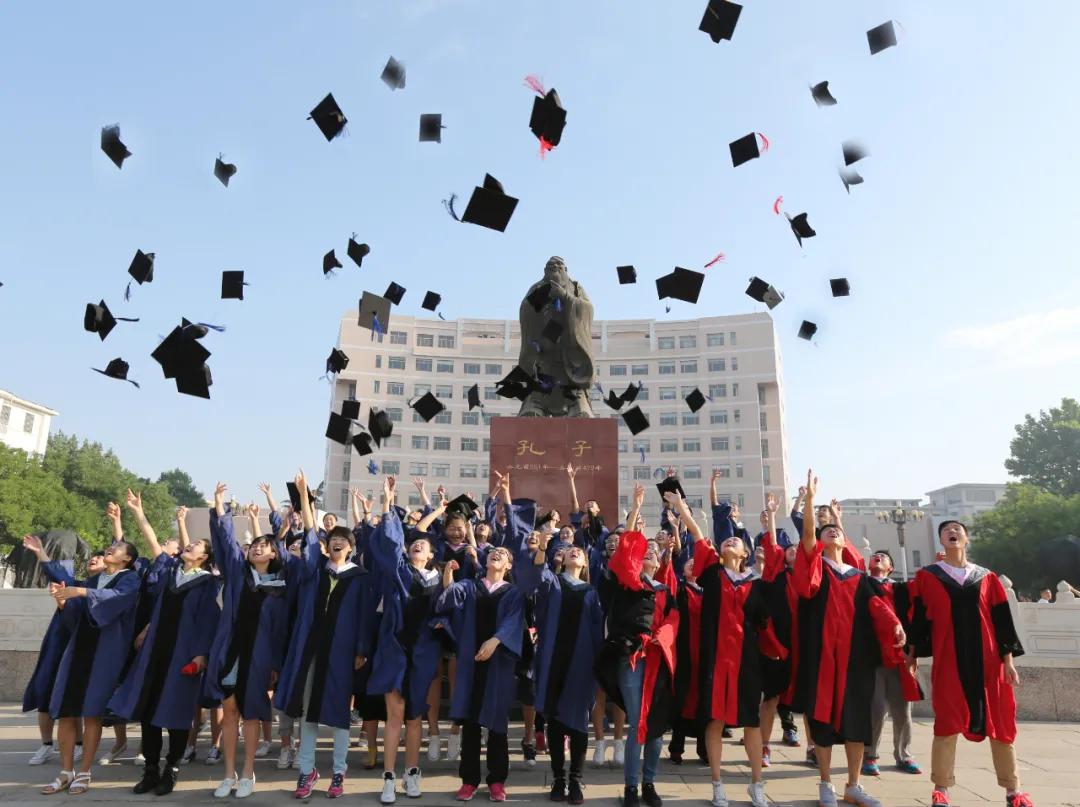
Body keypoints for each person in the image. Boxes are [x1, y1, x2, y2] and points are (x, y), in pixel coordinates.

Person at [791, 471, 907, 807]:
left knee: (857, 722)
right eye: (826, 530)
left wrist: (896, 623)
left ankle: (853, 785)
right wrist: (811, 501)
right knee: (824, 720)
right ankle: (826, 783)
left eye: (837, 531)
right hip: (823, 656)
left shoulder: (859, 577)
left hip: (856, 658)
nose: (832, 532)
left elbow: (877, 606)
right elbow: (810, 540)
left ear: (845, 541)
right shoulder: (816, 568)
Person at [908, 520, 1033, 807]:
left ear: (966, 538)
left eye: (957, 530)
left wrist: (1008, 661)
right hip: (949, 659)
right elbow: (918, 619)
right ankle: (942, 788)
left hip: (988, 661)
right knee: (948, 722)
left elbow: (1002, 621)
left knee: (1000, 721)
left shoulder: (986, 577)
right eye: (946, 530)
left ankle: (1013, 790)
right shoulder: (927, 576)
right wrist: (912, 654)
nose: (952, 532)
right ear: (941, 540)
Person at [108, 489, 220, 796]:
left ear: (203, 557)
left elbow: (208, 621)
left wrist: (201, 656)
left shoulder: (208, 584)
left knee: (177, 714)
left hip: (182, 656)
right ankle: (151, 770)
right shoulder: (171, 572)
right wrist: (137, 511)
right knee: (149, 711)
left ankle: (171, 769)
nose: (188, 545)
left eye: (195, 545)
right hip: (155, 653)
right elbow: (153, 543)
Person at [677, 491, 782, 807]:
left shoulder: (756, 585)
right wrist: (681, 506)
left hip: (746, 662)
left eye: (735, 542)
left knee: (750, 721)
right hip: (715, 660)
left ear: (746, 552)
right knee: (715, 721)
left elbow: (765, 623)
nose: (728, 542)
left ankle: (756, 783)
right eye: (725, 542)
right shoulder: (711, 574)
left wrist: (773, 518)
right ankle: (717, 783)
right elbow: (697, 533)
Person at [275, 470, 374, 800]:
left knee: (339, 713)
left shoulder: (359, 577)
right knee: (307, 711)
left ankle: (339, 771)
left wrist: (361, 649)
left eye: (344, 538)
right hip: (312, 649)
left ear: (351, 547)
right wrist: (304, 497)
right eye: (334, 537)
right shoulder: (317, 569)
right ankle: (307, 771)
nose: (337, 540)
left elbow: (362, 616)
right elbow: (310, 530)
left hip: (342, 651)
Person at [31, 526, 141, 795]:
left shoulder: (130, 580)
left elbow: (117, 600)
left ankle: (84, 772)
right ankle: (65, 772)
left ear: (127, 559)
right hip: (78, 650)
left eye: (116, 548)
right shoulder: (93, 581)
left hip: (105, 653)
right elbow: (74, 619)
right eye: (109, 547)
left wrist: (80, 594)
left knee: (92, 714)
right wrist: (62, 603)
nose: (109, 549)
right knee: (67, 712)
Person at [435, 478, 525, 804]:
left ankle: (497, 781)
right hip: (473, 661)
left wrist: (496, 641)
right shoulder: (472, 585)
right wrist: (447, 576)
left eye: (502, 554)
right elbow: (447, 600)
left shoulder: (512, 593)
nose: (495, 555)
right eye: (493, 553)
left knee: (498, 724)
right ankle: (470, 780)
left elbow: (515, 621)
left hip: (498, 662)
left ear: (509, 565)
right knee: (472, 721)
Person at [515, 494, 604, 805]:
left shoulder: (592, 593)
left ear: (585, 562)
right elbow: (535, 576)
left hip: (581, 664)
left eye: (579, 551)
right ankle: (557, 778)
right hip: (553, 659)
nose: (574, 552)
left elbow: (596, 632)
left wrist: (597, 666)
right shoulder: (552, 582)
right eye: (569, 550)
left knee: (579, 723)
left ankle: (576, 782)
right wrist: (541, 546)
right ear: (562, 558)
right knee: (554, 720)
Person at [594, 484, 679, 807]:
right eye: (644, 554)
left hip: (658, 658)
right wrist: (635, 509)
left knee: (656, 726)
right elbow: (624, 551)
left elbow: (674, 620)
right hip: (631, 655)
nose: (649, 557)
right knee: (638, 721)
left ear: (658, 564)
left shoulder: (665, 589)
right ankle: (631, 787)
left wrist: (664, 638)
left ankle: (649, 783)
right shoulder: (629, 583)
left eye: (654, 555)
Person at [364, 476, 446, 804]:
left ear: (430, 554)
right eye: (414, 543)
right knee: (395, 714)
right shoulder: (398, 570)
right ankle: (388, 777)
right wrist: (387, 503)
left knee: (415, 717)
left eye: (423, 545)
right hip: (395, 647)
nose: (417, 546)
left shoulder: (440, 580)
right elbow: (387, 545)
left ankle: (412, 772)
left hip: (423, 651)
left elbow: (449, 612)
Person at [205, 488, 290, 799]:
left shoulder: (281, 588)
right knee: (229, 711)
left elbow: (281, 632)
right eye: (255, 544)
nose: (258, 548)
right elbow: (226, 545)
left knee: (251, 713)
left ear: (274, 555)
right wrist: (219, 508)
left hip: (259, 657)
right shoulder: (239, 576)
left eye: (265, 546)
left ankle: (247, 773)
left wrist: (277, 666)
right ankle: (228, 774)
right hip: (231, 652)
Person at [22, 540, 99, 767]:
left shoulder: (101, 591)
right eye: (93, 557)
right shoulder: (73, 583)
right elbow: (55, 573)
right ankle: (46, 745)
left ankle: (77, 744)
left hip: (81, 650)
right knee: (44, 690)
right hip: (57, 645)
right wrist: (41, 553)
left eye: (100, 557)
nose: (94, 559)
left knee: (72, 698)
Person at [862, 549, 922, 777]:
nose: (878, 557)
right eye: (874, 556)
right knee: (876, 710)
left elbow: (918, 609)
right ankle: (870, 755)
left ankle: (904, 755)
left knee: (903, 711)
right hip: (874, 655)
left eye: (884, 557)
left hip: (900, 656)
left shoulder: (902, 589)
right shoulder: (862, 584)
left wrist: (913, 650)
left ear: (891, 567)